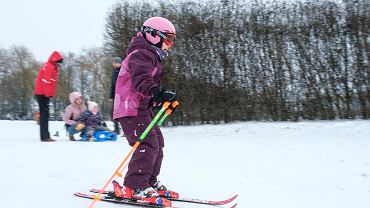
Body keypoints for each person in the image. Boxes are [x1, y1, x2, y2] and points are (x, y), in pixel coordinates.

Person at [112, 17, 178, 206]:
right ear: (153, 35)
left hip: (140, 108)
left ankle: (148, 182)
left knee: (157, 144)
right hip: (130, 108)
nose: (170, 44)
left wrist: (158, 100)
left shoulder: (151, 55)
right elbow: (141, 80)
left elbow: (147, 87)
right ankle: (135, 186)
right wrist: (158, 92)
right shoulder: (141, 54)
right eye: (168, 39)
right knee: (147, 144)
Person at [33, 51, 64, 142]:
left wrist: (50, 94)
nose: (59, 64)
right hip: (42, 94)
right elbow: (46, 82)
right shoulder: (49, 67)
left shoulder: (51, 66)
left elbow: (50, 83)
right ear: (55, 60)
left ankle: (46, 135)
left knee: (45, 115)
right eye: (59, 62)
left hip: (43, 93)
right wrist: (48, 95)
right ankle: (45, 137)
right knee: (44, 115)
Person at [109, 57, 122, 135]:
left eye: (115, 62)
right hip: (115, 95)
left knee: (123, 113)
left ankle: (125, 129)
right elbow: (112, 85)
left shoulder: (123, 70)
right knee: (113, 112)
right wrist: (111, 96)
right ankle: (116, 129)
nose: (113, 64)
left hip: (123, 95)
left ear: (119, 63)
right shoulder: (114, 71)